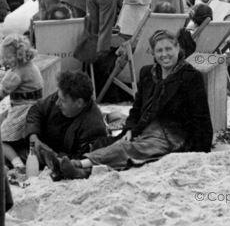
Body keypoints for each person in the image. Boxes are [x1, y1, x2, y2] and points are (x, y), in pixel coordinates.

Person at [59, 28, 213, 179]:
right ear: (153, 53)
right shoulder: (147, 74)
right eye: (159, 51)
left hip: (171, 136)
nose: (164, 55)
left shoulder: (190, 77)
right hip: (143, 128)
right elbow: (137, 109)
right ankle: (81, 172)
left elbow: (201, 117)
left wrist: (200, 152)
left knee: (125, 148)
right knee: (104, 144)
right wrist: (129, 130)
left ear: (178, 48)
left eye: (168, 49)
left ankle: (78, 164)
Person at [27, 71, 109, 181]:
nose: (57, 103)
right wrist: (33, 136)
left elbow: (81, 162)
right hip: (37, 146)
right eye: (58, 97)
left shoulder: (94, 127)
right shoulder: (60, 96)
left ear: (79, 103)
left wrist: (52, 156)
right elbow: (36, 110)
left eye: (63, 101)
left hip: (56, 159)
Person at [0, 35, 44, 180]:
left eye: (8, 57)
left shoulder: (17, 73)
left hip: (23, 111)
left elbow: (1, 94)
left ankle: (17, 164)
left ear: (18, 55)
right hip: (33, 106)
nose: (5, 60)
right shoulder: (30, 66)